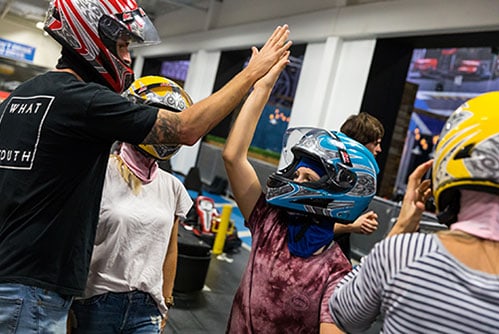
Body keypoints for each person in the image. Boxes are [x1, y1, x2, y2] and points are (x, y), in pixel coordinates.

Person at [0, 0, 292, 331]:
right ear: (88, 37)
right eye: (122, 45)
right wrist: (253, 73)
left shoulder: (22, 96)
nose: (126, 57)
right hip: (32, 291)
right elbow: (186, 129)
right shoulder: (83, 101)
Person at [222, 54, 380, 333]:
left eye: (307, 176)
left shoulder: (336, 270)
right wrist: (262, 88)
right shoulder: (270, 223)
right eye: (297, 174)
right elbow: (233, 156)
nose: (296, 180)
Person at [329, 91, 499, 333]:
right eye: (375, 143)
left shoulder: (403, 254)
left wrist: (400, 230)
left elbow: (343, 315)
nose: (379, 149)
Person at [68, 76, 193, 333]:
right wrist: (67, 302)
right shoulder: (100, 172)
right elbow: (76, 241)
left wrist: (166, 300)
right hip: (96, 303)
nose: (166, 128)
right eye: (160, 120)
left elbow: (170, 248)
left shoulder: (172, 187)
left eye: (172, 122)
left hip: (146, 308)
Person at [333, 112, 385, 259]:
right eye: (375, 143)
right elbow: (309, 231)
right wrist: (352, 226)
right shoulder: (329, 176)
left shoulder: (350, 176)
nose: (379, 149)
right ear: (360, 143)